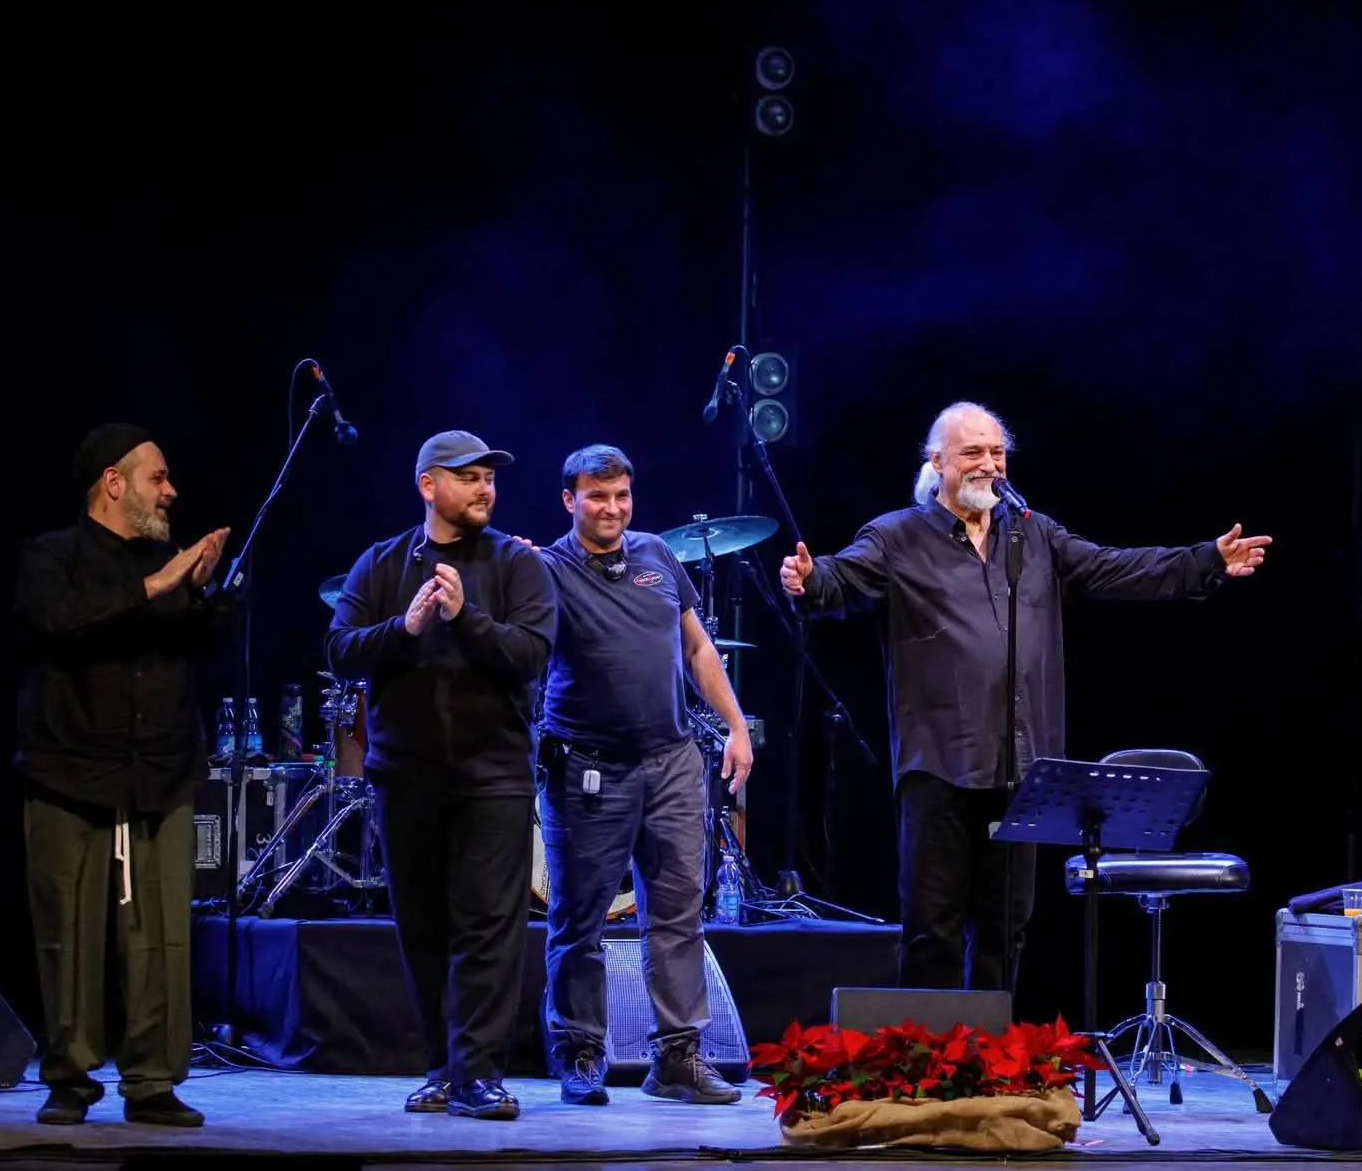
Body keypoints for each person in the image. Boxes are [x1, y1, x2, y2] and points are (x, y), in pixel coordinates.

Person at [779, 402, 1271, 992]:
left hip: (1021, 771)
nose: (988, 464)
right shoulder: (897, 538)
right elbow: (839, 579)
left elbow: (1116, 569)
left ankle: (990, 1063)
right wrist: (808, 581)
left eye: (996, 452)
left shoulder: (1035, 536)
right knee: (931, 929)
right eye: (971, 453)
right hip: (940, 765)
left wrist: (1205, 561)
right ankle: (924, 1064)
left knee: (1005, 928)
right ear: (937, 464)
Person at [326, 431, 550, 1120]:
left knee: (488, 926)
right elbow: (340, 651)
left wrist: (466, 616)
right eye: (469, 476)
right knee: (423, 927)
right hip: (407, 776)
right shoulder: (381, 563)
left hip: (494, 775)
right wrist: (407, 625)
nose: (485, 487)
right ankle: (441, 1067)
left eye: (490, 476)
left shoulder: (517, 563)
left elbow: (532, 654)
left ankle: (480, 1073)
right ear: (429, 485)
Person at [14, 423, 230, 1127]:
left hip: (160, 770)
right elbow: (58, 624)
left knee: (161, 934)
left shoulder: (171, 562)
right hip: (69, 767)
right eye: (157, 477)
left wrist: (202, 590)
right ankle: (70, 1076)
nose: (171, 490)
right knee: (67, 931)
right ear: (114, 481)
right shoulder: (52, 556)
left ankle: (153, 1080)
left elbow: (202, 645)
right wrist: (159, 582)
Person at [530, 444, 752, 1106]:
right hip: (587, 766)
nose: (612, 508)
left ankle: (677, 1058)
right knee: (579, 917)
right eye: (597, 496)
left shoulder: (657, 555)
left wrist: (736, 725)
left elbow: (695, 646)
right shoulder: (547, 568)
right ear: (570, 500)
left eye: (622, 495)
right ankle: (581, 1050)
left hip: (673, 761)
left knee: (679, 912)